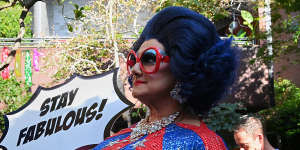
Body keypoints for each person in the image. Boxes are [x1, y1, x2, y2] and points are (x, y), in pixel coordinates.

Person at [93, 6, 238, 150]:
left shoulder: (204, 143)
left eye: (149, 59)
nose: (135, 70)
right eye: (133, 60)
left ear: (181, 66)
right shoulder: (122, 135)